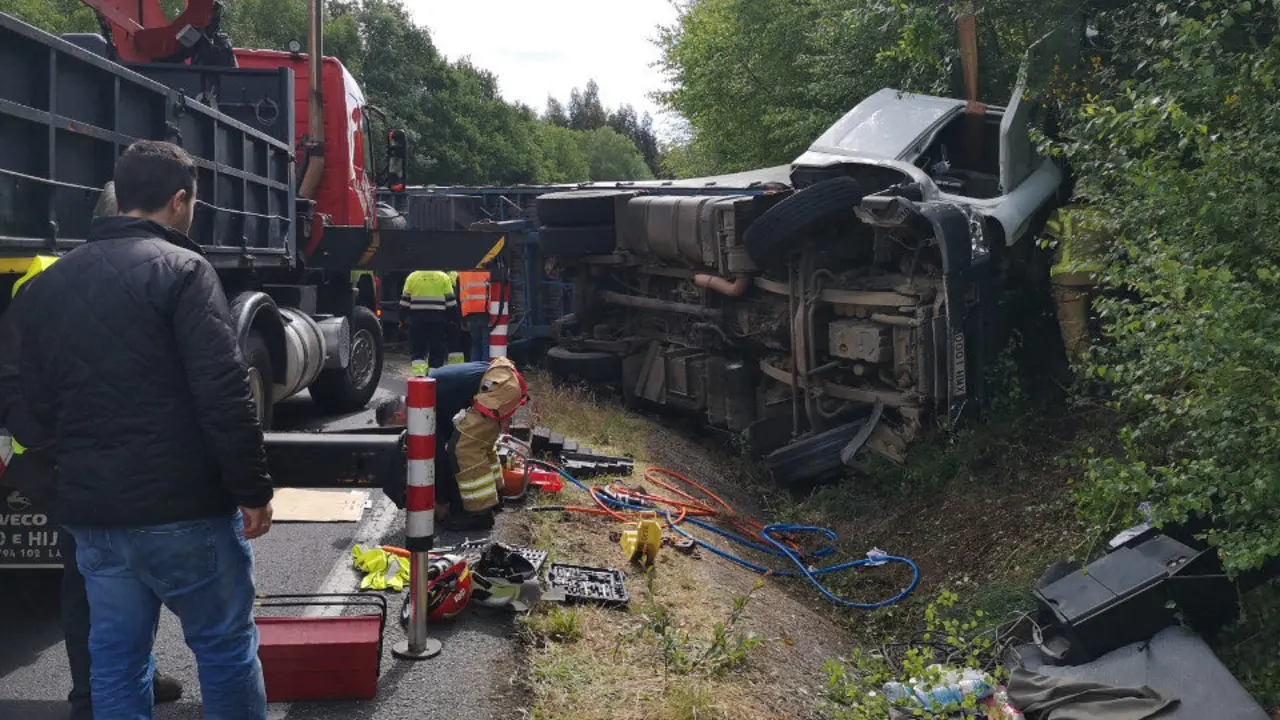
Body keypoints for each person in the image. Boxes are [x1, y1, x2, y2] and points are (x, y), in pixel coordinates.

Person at [17, 140, 274, 720]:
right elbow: (223, 392)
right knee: (224, 646)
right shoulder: (184, 271)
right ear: (180, 200)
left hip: (95, 519)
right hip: (184, 509)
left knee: (115, 657)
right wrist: (252, 491)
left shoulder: (47, 285)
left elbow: (29, 409)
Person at [0, 258, 185, 717]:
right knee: (105, 577)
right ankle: (93, 694)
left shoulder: (48, 279)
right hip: (76, 461)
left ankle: (115, 684)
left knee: (95, 575)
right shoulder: (73, 282)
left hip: (59, 461)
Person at [375, 357, 528, 531]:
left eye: (397, 425)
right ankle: (496, 496)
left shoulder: (423, 403)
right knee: (479, 444)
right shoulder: (425, 391)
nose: (405, 427)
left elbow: (440, 455)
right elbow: (445, 435)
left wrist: (442, 502)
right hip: (501, 381)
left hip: (498, 387)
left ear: (397, 415)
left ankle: (480, 515)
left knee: (463, 449)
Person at [400, 269, 459, 376]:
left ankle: (419, 376)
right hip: (438, 321)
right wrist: (454, 320)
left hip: (417, 321)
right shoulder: (443, 277)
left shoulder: (412, 277)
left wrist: (402, 319)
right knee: (437, 349)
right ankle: (434, 376)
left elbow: (404, 302)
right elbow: (451, 303)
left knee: (418, 350)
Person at [456, 269, 490, 361]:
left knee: (475, 343)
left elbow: (458, 296)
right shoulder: (488, 270)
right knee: (486, 344)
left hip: (469, 312)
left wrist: (461, 318)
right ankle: (484, 371)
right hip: (486, 310)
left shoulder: (462, 273)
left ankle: (475, 371)